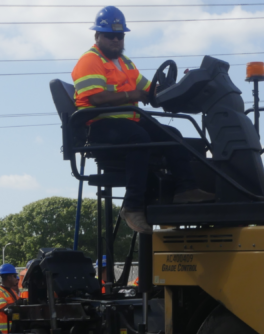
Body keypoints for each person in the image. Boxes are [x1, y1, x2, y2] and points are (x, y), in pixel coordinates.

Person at [72, 6, 213, 235]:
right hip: (98, 124)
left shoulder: (125, 62)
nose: (116, 40)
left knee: (173, 135)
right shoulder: (90, 60)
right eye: (110, 35)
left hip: (128, 122)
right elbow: (97, 97)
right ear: (97, 36)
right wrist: (132, 96)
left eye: (120, 36)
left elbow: (148, 89)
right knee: (140, 138)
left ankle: (186, 189)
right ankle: (132, 206)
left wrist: (178, 89)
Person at [0, 263, 19, 333]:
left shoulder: (13, 291)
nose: (17, 278)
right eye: (15, 276)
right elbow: (3, 308)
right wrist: (18, 304)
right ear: (9, 277)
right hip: (4, 333)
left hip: (14, 330)